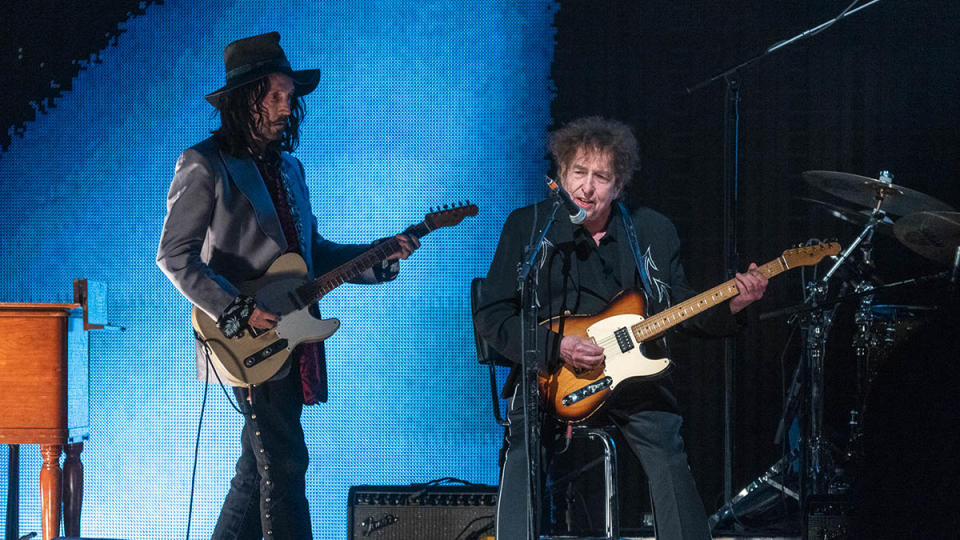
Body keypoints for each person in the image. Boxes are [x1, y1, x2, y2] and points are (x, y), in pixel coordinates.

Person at [156, 32, 418, 539]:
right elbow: (174, 257)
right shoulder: (205, 163)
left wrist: (379, 258)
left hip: (290, 333)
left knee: (257, 471)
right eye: (272, 95)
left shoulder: (291, 168)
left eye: (288, 95)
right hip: (244, 336)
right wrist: (236, 311)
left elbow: (312, 256)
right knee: (284, 463)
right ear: (243, 101)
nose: (285, 105)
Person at [474, 116, 768, 540]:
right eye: (578, 172)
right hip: (550, 372)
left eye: (601, 177)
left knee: (667, 444)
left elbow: (680, 310)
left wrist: (734, 305)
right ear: (560, 174)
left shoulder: (652, 231)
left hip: (630, 375)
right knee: (525, 448)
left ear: (618, 185)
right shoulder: (528, 227)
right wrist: (556, 346)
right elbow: (493, 314)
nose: (587, 188)